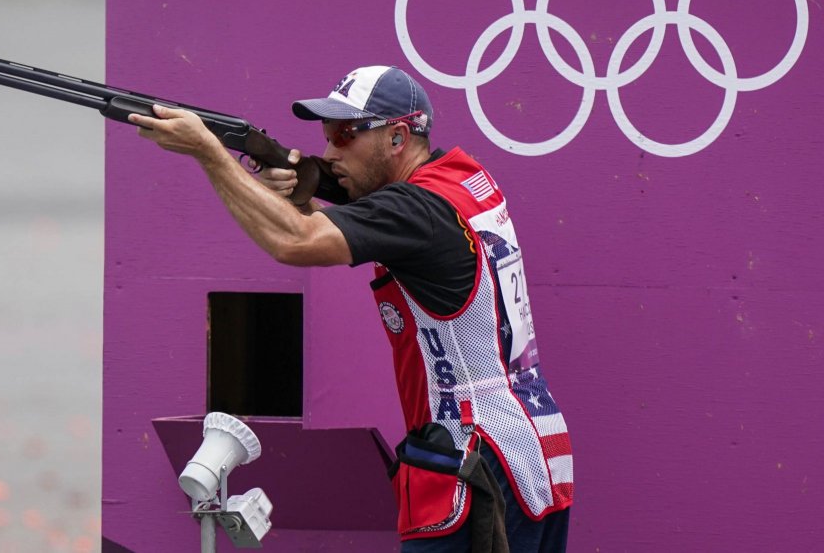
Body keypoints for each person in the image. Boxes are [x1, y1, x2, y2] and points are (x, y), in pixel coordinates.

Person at [128, 65, 573, 552]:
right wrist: (298, 192)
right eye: (325, 134)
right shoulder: (462, 181)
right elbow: (368, 222)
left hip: (474, 461)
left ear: (398, 137)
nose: (328, 152)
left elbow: (296, 242)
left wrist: (210, 154)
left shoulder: (416, 211)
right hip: (533, 449)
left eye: (345, 135)